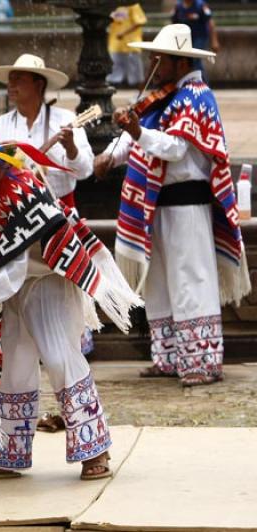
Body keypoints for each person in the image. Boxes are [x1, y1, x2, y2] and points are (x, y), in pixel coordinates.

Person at [0, 119, 141, 482]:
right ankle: (0, 453)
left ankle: (95, 447)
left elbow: (14, 269)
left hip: (47, 277)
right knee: (10, 362)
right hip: (2, 288)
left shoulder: (19, 189)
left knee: (59, 355)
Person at [94, 24, 250, 387]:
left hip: (187, 206)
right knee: (161, 282)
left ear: (178, 61)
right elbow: (139, 140)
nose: (152, 62)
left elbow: (175, 149)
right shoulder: (165, 98)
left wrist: (136, 132)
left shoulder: (197, 97)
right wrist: (109, 157)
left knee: (190, 279)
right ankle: (168, 358)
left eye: (158, 57)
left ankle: (202, 361)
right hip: (157, 206)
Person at [0, 54, 93, 210]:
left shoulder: (65, 119)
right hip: (12, 214)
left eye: (19, 79)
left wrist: (71, 148)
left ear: (39, 85)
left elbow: (84, 171)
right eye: (10, 79)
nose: (11, 84)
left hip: (60, 212)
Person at [171, 0, 219, 73]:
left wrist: (214, 40)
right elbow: (174, 23)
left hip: (200, 37)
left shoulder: (201, 5)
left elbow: (210, 22)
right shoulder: (178, 6)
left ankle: (201, 82)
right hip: (185, 39)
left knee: (194, 60)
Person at [106, 4, 147, 88]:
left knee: (135, 71)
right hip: (116, 44)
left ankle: (138, 92)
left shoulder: (133, 5)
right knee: (114, 69)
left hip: (131, 44)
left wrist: (124, 33)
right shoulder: (116, 7)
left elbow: (139, 22)